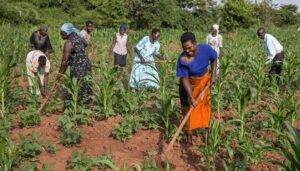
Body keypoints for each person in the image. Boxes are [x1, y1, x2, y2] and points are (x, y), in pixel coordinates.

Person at [176, 32, 218, 144]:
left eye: (189, 47)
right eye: (185, 49)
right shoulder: (183, 59)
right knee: (187, 109)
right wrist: (190, 96)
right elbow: (184, 78)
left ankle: (207, 133)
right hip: (188, 85)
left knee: (204, 107)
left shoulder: (206, 49)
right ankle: (188, 136)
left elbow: (214, 59)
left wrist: (213, 75)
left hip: (203, 82)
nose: (188, 51)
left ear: (195, 43)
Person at [56, 23, 92, 105]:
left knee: (77, 86)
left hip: (78, 67)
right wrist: (78, 51)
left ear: (68, 32)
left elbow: (64, 62)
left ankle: (77, 106)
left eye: (62, 33)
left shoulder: (68, 43)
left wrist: (59, 74)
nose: (61, 35)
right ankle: (86, 104)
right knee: (86, 84)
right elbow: (86, 44)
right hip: (86, 63)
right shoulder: (78, 37)